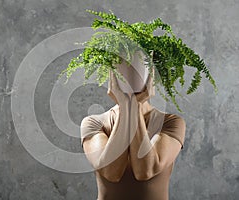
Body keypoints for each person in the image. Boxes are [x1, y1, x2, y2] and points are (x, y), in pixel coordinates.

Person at [80, 53, 186, 200]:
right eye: (123, 67)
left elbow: (145, 171)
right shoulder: (94, 123)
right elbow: (110, 172)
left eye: (140, 66)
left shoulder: (171, 122)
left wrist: (134, 107)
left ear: (151, 74)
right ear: (112, 73)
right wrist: (125, 106)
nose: (131, 74)